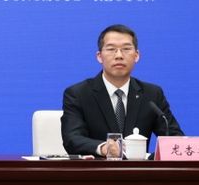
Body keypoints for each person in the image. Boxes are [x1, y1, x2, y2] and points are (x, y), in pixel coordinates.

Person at [62, 24, 183, 157]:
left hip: (140, 169)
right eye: (111, 49)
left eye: (126, 49)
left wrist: (149, 158)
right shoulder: (78, 93)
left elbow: (174, 139)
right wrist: (104, 148)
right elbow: (72, 139)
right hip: (98, 168)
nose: (119, 55)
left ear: (136, 55)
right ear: (99, 56)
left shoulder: (152, 94)